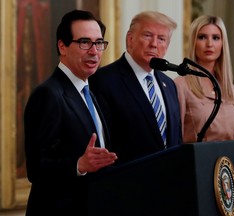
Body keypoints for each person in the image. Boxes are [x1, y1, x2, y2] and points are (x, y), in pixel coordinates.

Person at [24, 10, 117, 215]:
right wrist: (79, 164)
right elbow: (36, 168)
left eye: (99, 43)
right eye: (85, 42)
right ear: (62, 46)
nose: (94, 51)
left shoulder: (88, 91)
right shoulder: (48, 94)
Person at [89, 11, 182, 165]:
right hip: (126, 182)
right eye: (147, 35)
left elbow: (176, 140)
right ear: (130, 39)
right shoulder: (103, 81)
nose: (154, 43)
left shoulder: (169, 84)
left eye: (161, 39)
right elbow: (103, 144)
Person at [174, 15, 234, 174]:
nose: (209, 44)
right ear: (193, 42)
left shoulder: (232, 90)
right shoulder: (181, 85)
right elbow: (175, 140)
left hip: (229, 174)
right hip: (196, 171)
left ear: (223, 44)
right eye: (202, 37)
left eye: (216, 38)